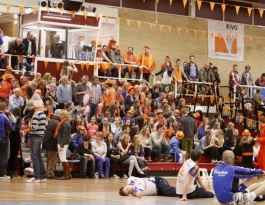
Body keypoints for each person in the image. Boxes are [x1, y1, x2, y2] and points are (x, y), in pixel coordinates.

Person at [27, 100, 48, 182]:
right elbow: (45, 125)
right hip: (41, 136)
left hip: (35, 136)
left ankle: (36, 177)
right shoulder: (43, 114)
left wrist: (29, 125)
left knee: (34, 156)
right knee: (39, 156)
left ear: (35, 106)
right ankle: (42, 176)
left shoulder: (36, 114)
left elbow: (34, 127)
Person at [42, 109, 61, 179]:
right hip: (52, 143)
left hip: (48, 142)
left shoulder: (52, 120)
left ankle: (48, 172)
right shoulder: (57, 123)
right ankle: (50, 173)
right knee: (52, 159)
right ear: (59, 115)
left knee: (49, 159)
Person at [54, 109, 72, 180]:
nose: (60, 115)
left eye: (61, 114)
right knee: (63, 158)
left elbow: (65, 135)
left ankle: (66, 175)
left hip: (62, 142)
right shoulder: (64, 122)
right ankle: (68, 174)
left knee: (63, 158)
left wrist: (61, 145)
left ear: (64, 115)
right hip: (62, 142)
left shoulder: (65, 123)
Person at [0, 102, 13, 179]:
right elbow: (11, 126)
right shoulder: (3, 116)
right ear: (5, 109)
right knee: (3, 156)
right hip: (2, 138)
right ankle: (2, 174)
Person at [7, 107, 22, 178]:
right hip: (16, 136)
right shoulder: (18, 118)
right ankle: (13, 171)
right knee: (14, 154)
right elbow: (18, 127)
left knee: (10, 154)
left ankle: (8, 170)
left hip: (11, 136)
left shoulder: (11, 118)